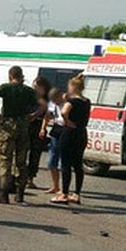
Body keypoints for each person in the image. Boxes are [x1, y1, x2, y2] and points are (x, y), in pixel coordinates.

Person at [0, 66, 40, 204]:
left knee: (5, 159)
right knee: (21, 162)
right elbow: (43, 105)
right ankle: (20, 195)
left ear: (10, 76)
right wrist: (34, 115)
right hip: (23, 125)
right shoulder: (28, 90)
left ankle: (3, 195)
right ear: (21, 75)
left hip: (8, 125)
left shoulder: (6, 87)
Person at [51, 74, 92, 205]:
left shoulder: (71, 102)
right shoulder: (87, 101)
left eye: (69, 86)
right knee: (78, 164)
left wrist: (67, 121)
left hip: (69, 133)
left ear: (73, 87)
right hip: (82, 133)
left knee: (65, 164)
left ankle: (64, 193)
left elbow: (64, 112)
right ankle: (77, 193)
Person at [25, 77, 52, 189]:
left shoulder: (48, 99)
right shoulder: (30, 96)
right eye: (33, 87)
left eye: (37, 88)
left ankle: (30, 178)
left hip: (39, 125)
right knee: (23, 151)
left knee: (35, 154)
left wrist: (36, 116)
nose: (34, 90)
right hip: (27, 125)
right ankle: (21, 177)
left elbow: (47, 111)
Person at [40, 88, 65, 194]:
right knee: (51, 161)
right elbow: (47, 116)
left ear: (60, 96)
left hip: (66, 130)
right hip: (56, 130)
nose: (55, 103)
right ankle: (55, 186)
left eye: (56, 100)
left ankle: (64, 189)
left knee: (63, 162)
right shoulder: (52, 104)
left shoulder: (67, 103)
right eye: (53, 101)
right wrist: (43, 128)